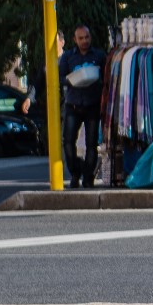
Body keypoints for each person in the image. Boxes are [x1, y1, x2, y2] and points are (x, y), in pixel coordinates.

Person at [59, 25, 106, 186]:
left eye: (87, 37)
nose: (84, 41)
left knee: (91, 144)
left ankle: (88, 177)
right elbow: (61, 78)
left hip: (92, 104)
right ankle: (75, 172)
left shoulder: (99, 55)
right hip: (73, 104)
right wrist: (75, 78)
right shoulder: (68, 57)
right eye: (81, 38)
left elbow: (105, 78)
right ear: (75, 40)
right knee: (68, 142)